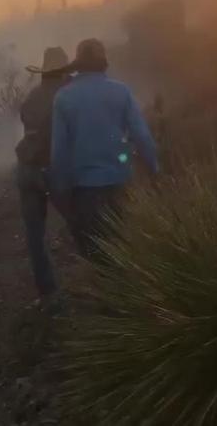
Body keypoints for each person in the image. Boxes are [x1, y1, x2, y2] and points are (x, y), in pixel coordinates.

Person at [51, 38, 159, 258]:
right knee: (124, 247)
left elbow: (59, 152)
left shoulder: (64, 97)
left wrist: (61, 191)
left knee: (96, 253)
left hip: (84, 189)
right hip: (120, 182)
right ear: (103, 63)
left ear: (78, 64)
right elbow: (142, 136)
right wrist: (154, 169)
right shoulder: (122, 92)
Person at [16, 46, 70, 303]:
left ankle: (48, 293)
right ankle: (104, 281)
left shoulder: (31, 97)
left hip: (26, 169)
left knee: (35, 236)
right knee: (83, 223)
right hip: (51, 168)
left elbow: (29, 126)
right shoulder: (66, 96)